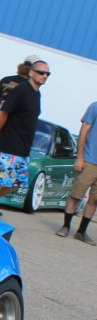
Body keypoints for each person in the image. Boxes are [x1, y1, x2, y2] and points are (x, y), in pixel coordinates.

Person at [0, 60, 50, 217]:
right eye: (41, 72)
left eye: (48, 74)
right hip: (8, 142)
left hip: (23, 146)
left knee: (16, 183)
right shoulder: (21, 90)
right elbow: (2, 114)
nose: (45, 76)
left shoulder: (36, 94)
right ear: (31, 72)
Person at [55, 102, 97, 245]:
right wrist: (80, 157)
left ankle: (81, 232)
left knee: (94, 200)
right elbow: (84, 130)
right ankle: (65, 226)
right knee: (75, 195)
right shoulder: (95, 106)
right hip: (89, 160)